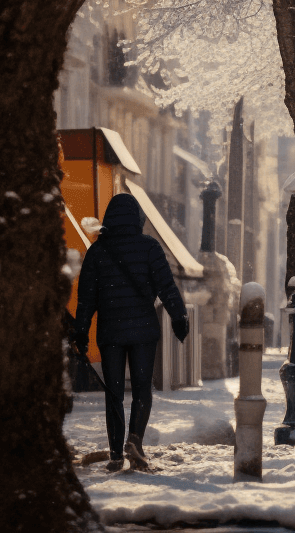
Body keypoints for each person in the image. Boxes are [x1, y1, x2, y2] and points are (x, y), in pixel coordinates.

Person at [72, 193, 190, 472]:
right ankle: (135, 439)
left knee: (113, 393)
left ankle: (115, 454)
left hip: (110, 332)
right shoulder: (150, 248)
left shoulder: (97, 252)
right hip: (143, 331)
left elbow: (86, 299)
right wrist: (179, 317)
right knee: (140, 389)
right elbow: (167, 288)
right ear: (137, 218)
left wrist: (80, 331)